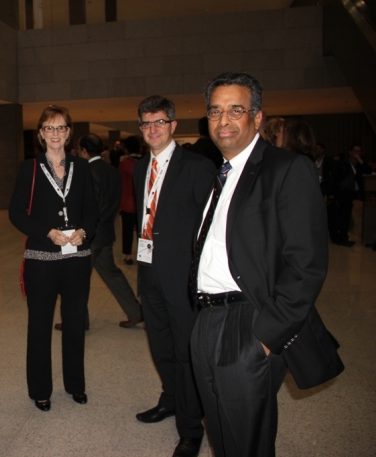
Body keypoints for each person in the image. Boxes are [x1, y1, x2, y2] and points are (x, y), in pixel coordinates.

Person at [191, 72, 344, 457]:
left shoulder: (286, 169)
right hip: (207, 319)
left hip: (248, 321)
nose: (223, 120)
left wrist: (264, 338)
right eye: (215, 111)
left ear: (257, 118)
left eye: (235, 110)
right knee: (223, 436)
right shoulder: (221, 173)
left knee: (247, 443)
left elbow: (307, 265)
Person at [133, 96, 215, 457]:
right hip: (148, 272)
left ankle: (191, 428)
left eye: (159, 122)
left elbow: (209, 228)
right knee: (160, 345)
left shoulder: (197, 167)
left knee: (185, 353)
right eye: (146, 123)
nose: (153, 129)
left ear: (173, 125)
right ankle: (170, 399)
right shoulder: (139, 168)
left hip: (182, 277)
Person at [8, 106, 99, 412]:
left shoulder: (82, 167)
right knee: (40, 325)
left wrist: (84, 230)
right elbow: (16, 213)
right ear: (41, 133)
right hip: (41, 259)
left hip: (77, 258)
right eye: (50, 128)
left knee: (75, 323)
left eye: (61, 128)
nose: (56, 134)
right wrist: (47, 232)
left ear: (69, 133)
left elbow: (93, 209)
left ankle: (76, 384)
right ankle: (40, 389)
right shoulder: (29, 168)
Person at [56, 133, 143, 329]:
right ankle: (136, 312)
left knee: (74, 278)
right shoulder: (112, 170)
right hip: (105, 232)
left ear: (84, 151)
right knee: (112, 273)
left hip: (88, 235)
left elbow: (89, 207)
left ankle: (77, 321)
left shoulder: (86, 171)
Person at [330, 143, 372, 246]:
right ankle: (338, 237)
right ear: (350, 152)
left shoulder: (359, 165)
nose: (357, 154)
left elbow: (368, 170)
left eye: (359, 152)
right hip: (341, 192)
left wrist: (360, 160)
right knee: (340, 215)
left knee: (346, 216)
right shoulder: (342, 163)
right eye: (355, 151)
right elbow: (334, 178)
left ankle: (344, 237)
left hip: (351, 193)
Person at [118, 135, 142, 265]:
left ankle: (128, 255)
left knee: (127, 230)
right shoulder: (145, 162)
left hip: (127, 202)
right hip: (142, 203)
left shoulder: (124, 164)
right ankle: (144, 255)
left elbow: (120, 183)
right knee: (143, 231)